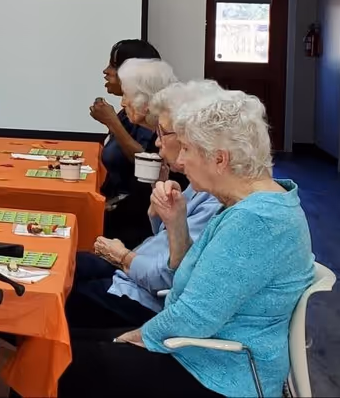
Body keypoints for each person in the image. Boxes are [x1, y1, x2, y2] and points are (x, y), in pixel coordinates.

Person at [59, 88, 315, 398]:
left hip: (219, 371)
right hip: (202, 350)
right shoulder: (254, 205)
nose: (181, 160)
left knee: (59, 364)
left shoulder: (255, 221)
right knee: (59, 345)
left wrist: (136, 336)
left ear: (220, 159)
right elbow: (192, 283)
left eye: (189, 150)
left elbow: (193, 317)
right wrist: (176, 225)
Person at [67, 80, 222, 330]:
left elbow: (167, 276)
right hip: (133, 276)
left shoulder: (218, 199)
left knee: (48, 296)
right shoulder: (201, 184)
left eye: (162, 133)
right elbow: (164, 242)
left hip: (140, 297)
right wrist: (159, 207)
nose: (157, 142)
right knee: (58, 266)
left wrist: (122, 257)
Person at [103, 58, 179, 247]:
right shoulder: (158, 137)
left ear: (145, 102)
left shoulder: (171, 145)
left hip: (143, 243)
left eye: (126, 95)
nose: (122, 103)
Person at [89, 40, 162, 202]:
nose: (106, 71)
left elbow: (147, 160)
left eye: (114, 66)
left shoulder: (147, 115)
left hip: (131, 214)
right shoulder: (126, 112)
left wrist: (112, 122)